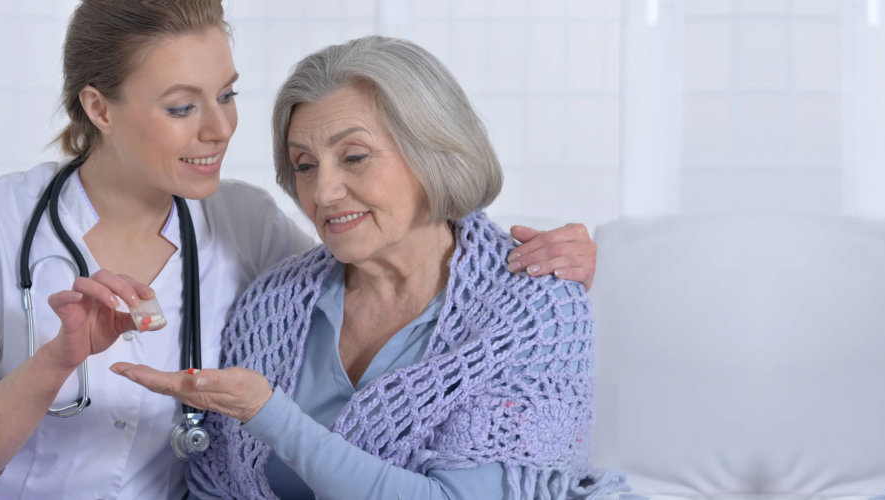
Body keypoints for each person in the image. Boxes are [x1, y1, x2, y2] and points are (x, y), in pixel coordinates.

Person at [0, 2, 598, 498]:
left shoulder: (245, 224)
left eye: (227, 95)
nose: (220, 129)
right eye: (182, 106)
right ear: (99, 109)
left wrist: (552, 264)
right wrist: (57, 360)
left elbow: (388, 245)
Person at [114, 36, 621, 499]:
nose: (323, 192)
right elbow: (218, 485)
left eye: (354, 157)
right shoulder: (270, 307)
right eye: (305, 165)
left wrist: (267, 414)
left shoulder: (532, 310)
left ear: (433, 152)